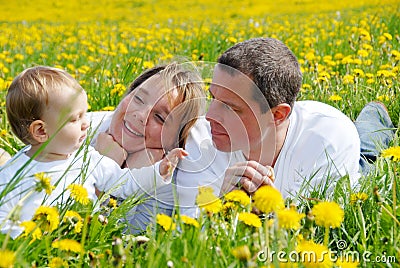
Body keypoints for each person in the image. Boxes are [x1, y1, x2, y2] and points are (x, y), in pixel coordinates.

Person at [175, 37, 396, 210]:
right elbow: (191, 227)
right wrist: (224, 203)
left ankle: (374, 115)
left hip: (342, 148)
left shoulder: (328, 140)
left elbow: (318, 227)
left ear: (278, 115)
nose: (210, 115)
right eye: (213, 97)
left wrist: (272, 210)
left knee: (367, 157)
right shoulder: (200, 137)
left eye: (232, 108)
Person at [0, 66, 187, 238]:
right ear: (41, 131)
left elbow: (126, 182)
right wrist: (22, 239)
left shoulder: (88, 159)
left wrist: (158, 171)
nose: (86, 123)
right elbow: (3, 219)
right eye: (76, 118)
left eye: (85, 113)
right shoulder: (12, 174)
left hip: (84, 243)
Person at [88, 62, 207, 233]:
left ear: (174, 140)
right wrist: (103, 163)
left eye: (159, 117)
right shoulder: (79, 130)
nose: (141, 115)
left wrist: (134, 177)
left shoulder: (166, 183)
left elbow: (120, 241)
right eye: (138, 99)